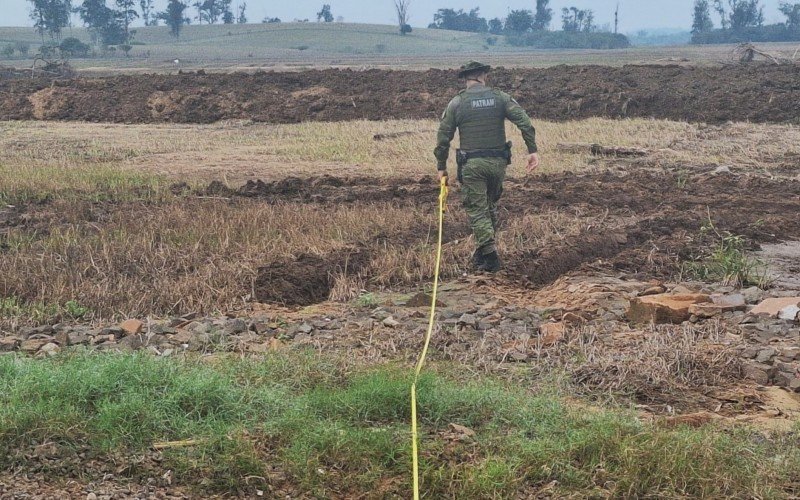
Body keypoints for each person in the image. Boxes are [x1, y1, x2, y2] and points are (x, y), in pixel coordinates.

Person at [434, 61, 540, 272]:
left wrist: (441, 166)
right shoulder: (500, 98)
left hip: (472, 165)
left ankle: (491, 258)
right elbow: (525, 122)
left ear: (465, 78)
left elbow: (443, 137)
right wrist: (532, 150)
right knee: (489, 205)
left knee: (478, 209)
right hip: (498, 163)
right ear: (483, 75)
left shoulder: (457, 103)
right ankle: (482, 252)